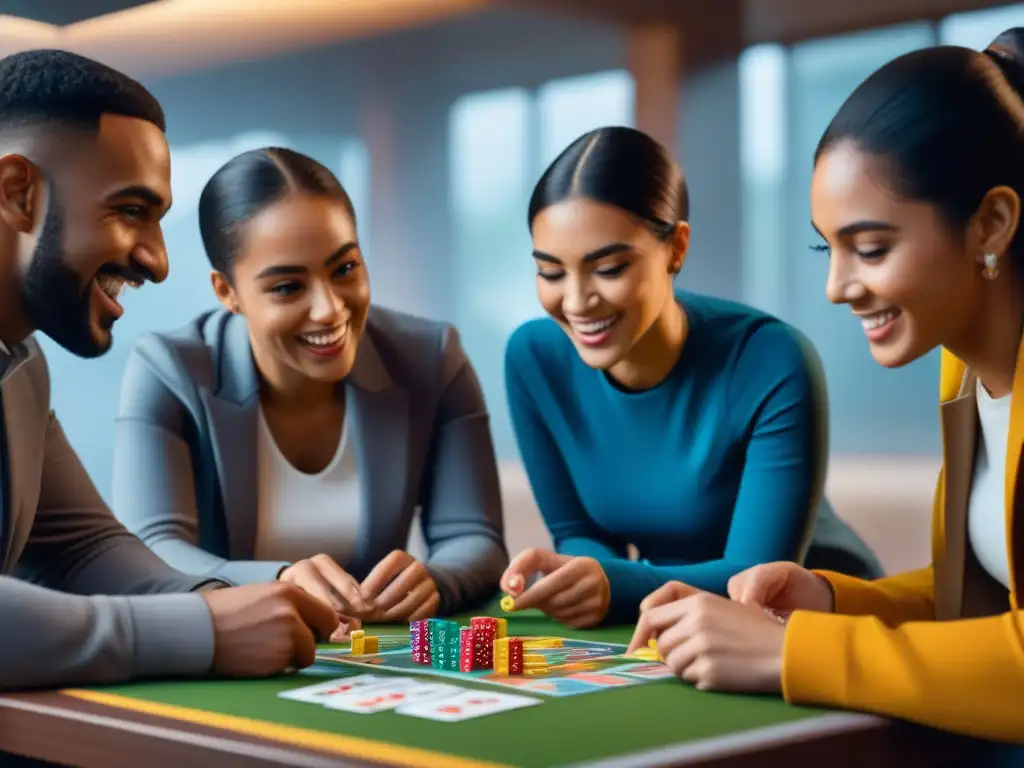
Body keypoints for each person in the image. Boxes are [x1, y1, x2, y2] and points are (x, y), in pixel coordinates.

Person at [627, 29, 1024, 749]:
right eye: (827, 246)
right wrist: (829, 600)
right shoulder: (961, 368)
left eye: (870, 249)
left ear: (990, 224)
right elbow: (978, 604)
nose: (837, 287)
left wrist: (791, 652)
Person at [0, 49, 338, 692]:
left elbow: (84, 551)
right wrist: (201, 630)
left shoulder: (20, 365)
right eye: (131, 210)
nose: (157, 262)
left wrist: (245, 595)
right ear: (19, 193)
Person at [111, 147, 507, 638]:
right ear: (226, 291)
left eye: (344, 269)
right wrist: (275, 581)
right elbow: (149, 549)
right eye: (287, 287)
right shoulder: (168, 369)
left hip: (372, 661)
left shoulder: (432, 357)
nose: (328, 309)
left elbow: (475, 537)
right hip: (238, 656)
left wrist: (436, 581)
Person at [498, 126, 882, 628]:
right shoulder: (534, 359)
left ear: (676, 248)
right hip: (669, 615)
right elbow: (577, 531)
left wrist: (616, 584)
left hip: (811, 618)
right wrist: (581, 573)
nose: (575, 302)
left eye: (609, 268)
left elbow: (757, 576)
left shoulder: (771, 359)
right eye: (550, 273)